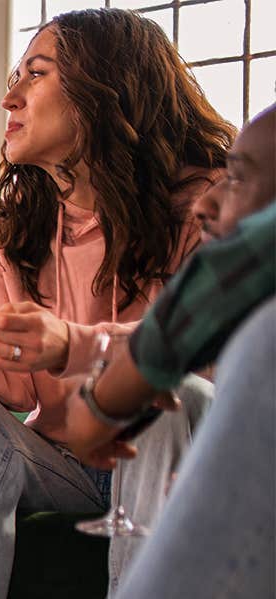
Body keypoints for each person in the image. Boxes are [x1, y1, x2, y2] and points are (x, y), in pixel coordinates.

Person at [0, 8, 236, 599]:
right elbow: (13, 386)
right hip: (64, 461)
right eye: (14, 77)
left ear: (105, 92)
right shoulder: (15, 222)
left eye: (35, 75)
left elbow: (209, 355)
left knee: (168, 400)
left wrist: (73, 346)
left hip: (182, 453)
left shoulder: (208, 204)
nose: (9, 98)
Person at [61, 104, 275, 599]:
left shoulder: (237, 270)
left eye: (238, 179)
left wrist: (95, 400)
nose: (206, 204)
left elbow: (93, 419)